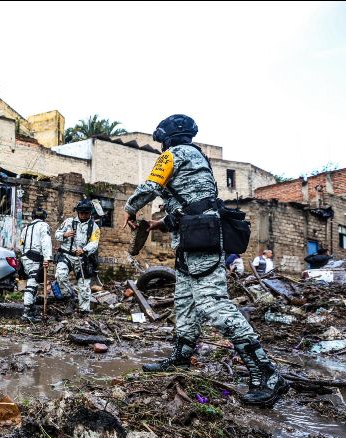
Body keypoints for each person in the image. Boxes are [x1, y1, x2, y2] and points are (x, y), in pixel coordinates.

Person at [121, 114, 287, 407]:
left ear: (167, 137)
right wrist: (160, 225)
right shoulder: (198, 159)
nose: (161, 146)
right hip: (192, 239)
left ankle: (267, 373)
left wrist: (130, 209)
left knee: (212, 304)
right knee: (184, 301)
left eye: (161, 141)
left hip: (200, 241)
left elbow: (150, 187)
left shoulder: (174, 154)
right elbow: (192, 205)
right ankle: (181, 359)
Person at [54, 199, 100, 315]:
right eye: (81, 213)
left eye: (86, 213)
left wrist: (84, 250)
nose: (83, 215)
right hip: (66, 255)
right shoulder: (68, 222)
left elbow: (94, 243)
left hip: (82, 259)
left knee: (84, 286)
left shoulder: (94, 227)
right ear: (77, 212)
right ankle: (70, 297)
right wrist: (64, 235)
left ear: (90, 213)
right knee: (60, 275)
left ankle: (84, 311)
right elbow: (57, 234)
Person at [18, 207, 53, 323]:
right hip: (35, 258)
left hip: (24, 258)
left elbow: (20, 244)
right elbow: (46, 241)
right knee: (32, 284)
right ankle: (26, 312)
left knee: (32, 283)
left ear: (33, 216)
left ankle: (31, 311)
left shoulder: (25, 228)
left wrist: (22, 258)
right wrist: (48, 258)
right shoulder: (44, 226)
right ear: (44, 217)